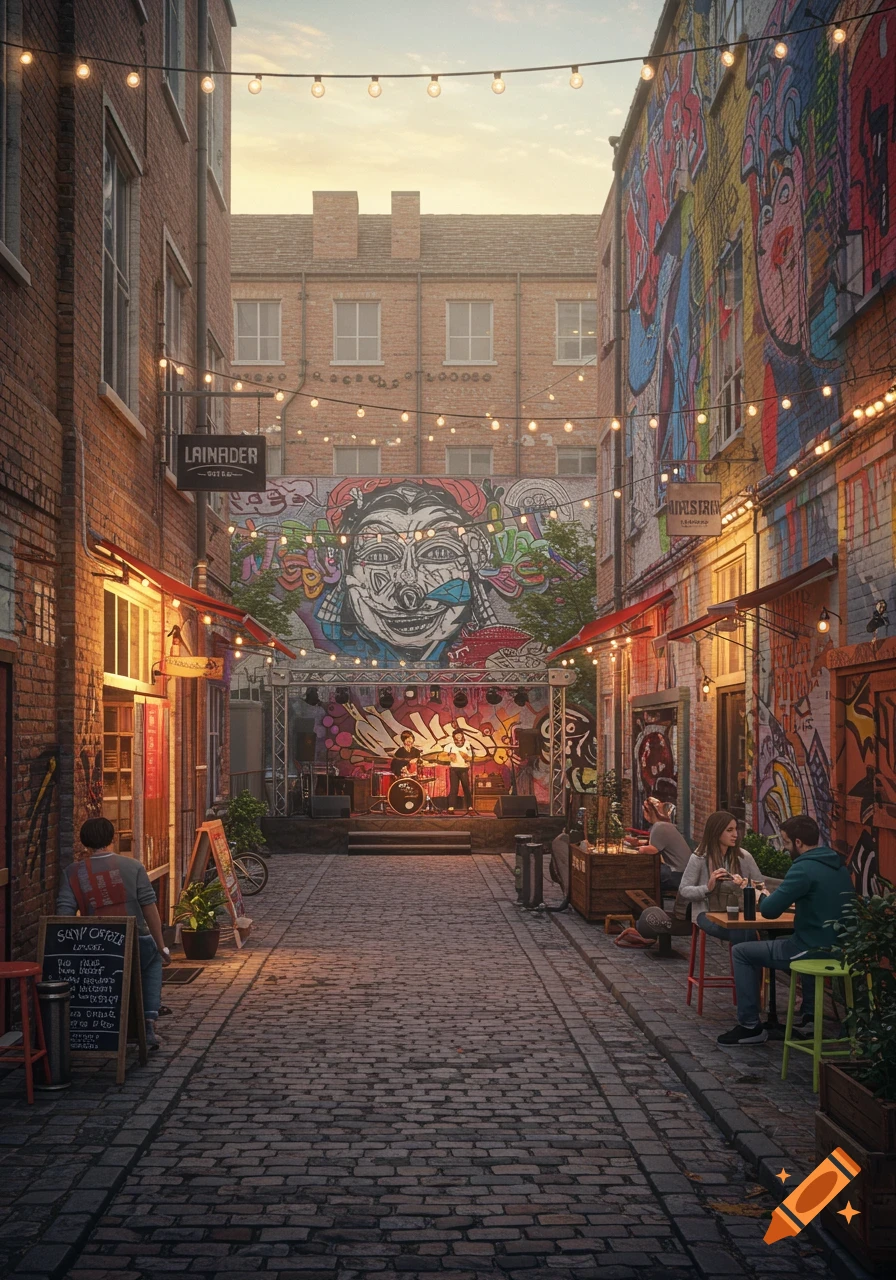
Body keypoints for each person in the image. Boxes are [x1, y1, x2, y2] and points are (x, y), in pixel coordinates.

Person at [717, 814, 855, 1047]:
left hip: (813, 950)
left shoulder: (803, 869)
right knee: (798, 939)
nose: (785, 848)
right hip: (842, 950)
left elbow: (770, 910)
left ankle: (750, 1027)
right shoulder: (839, 866)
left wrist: (760, 895)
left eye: (786, 842)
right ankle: (810, 1017)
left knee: (742, 952)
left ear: (798, 842)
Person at [56, 817, 171, 1050]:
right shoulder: (133, 866)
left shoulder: (72, 872)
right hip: (134, 941)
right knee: (152, 961)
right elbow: (149, 908)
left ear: (84, 841)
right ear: (112, 838)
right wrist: (161, 946)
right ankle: (148, 1022)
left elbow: (64, 915)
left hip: (95, 949)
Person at [678, 811, 766, 945]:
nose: (735, 834)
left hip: (738, 911)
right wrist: (707, 888)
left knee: (749, 930)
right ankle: (743, 957)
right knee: (740, 932)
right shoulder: (699, 857)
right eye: (729, 830)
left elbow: (761, 885)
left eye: (736, 829)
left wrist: (745, 884)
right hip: (706, 912)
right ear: (716, 832)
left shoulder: (743, 856)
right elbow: (684, 890)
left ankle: (747, 957)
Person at [641, 795, 692, 895]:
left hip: (678, 875)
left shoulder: (659, 826)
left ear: (649, 812)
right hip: (684, 873)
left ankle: (654, 902)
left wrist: (638, 849)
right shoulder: (664, 825)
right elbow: (659, 843)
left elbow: (653, 850)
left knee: (647, 878)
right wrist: (638, 843)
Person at [446, 728, 474, 812]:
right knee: (454, 788)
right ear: (454, 736)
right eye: (456, 735)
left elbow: (470, 756)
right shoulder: (450, 745)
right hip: (454, 768)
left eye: (460, 734)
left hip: (463, 768)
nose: (458, 736)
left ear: (462, 735)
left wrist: (467, 759)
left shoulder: (467, 744)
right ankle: (451, 807)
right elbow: (444, 754)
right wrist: (450, 755)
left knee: (466, 788)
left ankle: (469, 806)